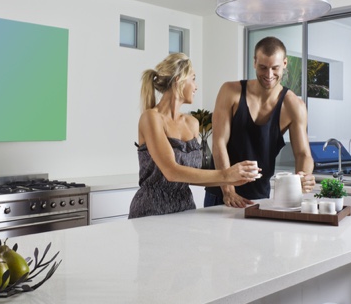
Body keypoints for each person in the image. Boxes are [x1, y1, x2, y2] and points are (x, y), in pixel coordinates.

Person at [128, 53, 259, 219]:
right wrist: (225, 175)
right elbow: (171, 172)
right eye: (193, 78)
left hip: (185, 209)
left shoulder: (192, 123)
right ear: (179, 80)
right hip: (151, 211)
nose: (196, 86)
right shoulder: (151, 118)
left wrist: (231, 181)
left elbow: (189, 176)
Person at [205, 37, 316, 208]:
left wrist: (303, 177)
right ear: (255, 62)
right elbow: (219, 143)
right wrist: (228, 191)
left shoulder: (294, 106)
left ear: (285, 63)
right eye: (263, 67)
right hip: (220, 195)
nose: (269, 75)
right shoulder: (230, 92)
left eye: (275, 68)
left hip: (260, 198)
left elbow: (303, 154)